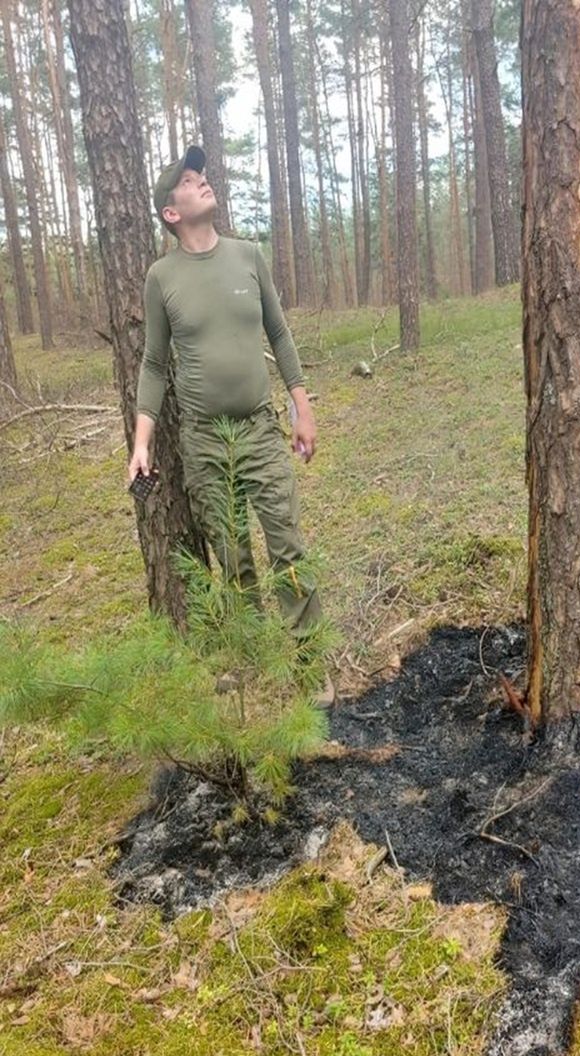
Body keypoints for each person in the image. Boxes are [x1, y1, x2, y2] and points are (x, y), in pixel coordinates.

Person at [125, 144, 334, 709]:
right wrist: (142, 443)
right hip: (204, 442)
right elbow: (152, 363)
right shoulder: (162, 277)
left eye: (203, 176)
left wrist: (301, 405)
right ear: (172, 213)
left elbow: (280, 333)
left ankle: (309, 661)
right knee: (233, 555)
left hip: (260, 433)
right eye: (191, 182)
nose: (204, 183)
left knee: (286, 544)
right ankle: (256, 657)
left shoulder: (247, 255)